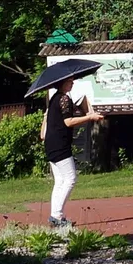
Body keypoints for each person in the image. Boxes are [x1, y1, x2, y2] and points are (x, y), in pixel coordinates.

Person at [39, 75, 105, 228]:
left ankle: (56, 215)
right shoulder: (64, 99)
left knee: (60, 181)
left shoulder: (55, 98)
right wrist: (90, 117)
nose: (72, 83)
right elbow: (68, 122)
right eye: (69, 81)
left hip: (51, 144)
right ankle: (57, 216)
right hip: (60, 144)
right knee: (70, 178)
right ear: (62, 83)